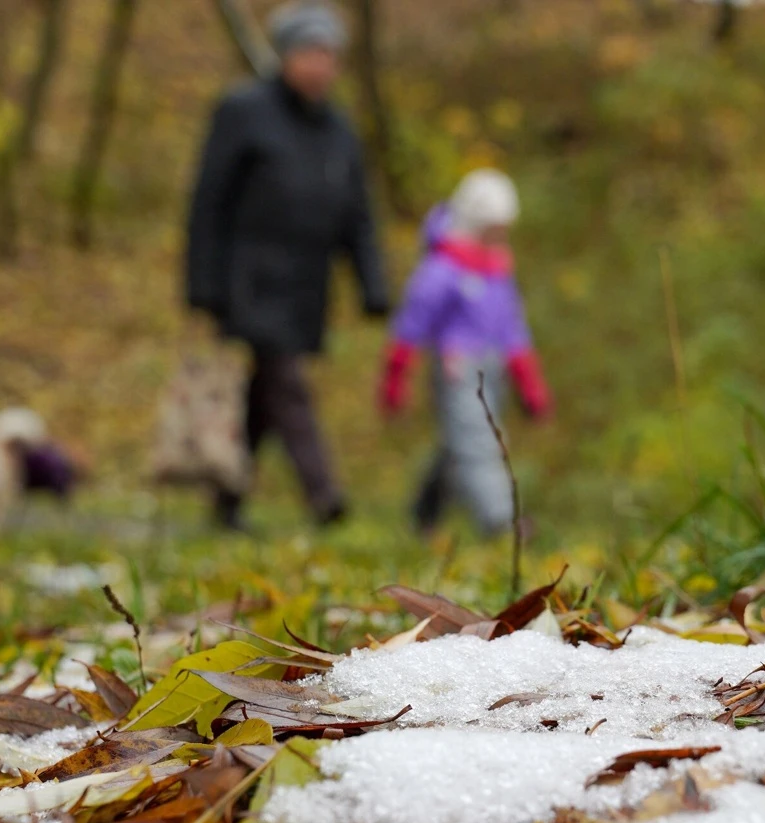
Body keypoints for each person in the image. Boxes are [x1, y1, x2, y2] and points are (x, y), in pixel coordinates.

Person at [184, 2, 389, 532]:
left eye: (329, 55)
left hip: (305, 285)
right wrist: (202, 282)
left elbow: (356, 214)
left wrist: (372, 282)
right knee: (286, 381)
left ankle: (227, 501)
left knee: (265, 395)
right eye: (310, 53)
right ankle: (323, 494)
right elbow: (209, 200)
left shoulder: (340, 132)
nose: (320, 65)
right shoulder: (244, 111)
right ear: (285, 56)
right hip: (247, 279)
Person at [380, 169, 551, 536]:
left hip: (496, 369)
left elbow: (512, 327)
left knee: (459, 443)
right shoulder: (442, 269)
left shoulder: (498, 270)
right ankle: (502, 520)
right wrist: (397, 374)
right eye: (493, 228)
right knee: (478, 439)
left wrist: (529, 380)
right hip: (458, 367)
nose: (500, 236)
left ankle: (425, 511)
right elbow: (413, 321)